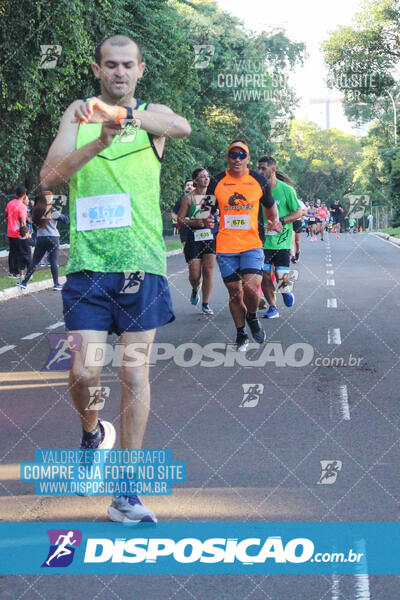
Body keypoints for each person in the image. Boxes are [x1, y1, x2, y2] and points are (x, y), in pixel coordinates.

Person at [40, 34, 191, 524]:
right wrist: (97, 141)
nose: (120, 72)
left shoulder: (151, 117)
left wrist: (122, 118)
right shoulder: (76, 114)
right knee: (84, 372)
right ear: (97, 68)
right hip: (88, 265)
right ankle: (92, 433)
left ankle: (126, 492)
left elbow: (180, 126)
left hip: (142, 265)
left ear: (140, 69)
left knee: (132, 374)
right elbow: (49, 177)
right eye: (111, 65)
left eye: (128, 65)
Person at [206, 140, 281, 350]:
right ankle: (241, 333)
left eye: (242, 155)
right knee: (234, 293)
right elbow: (206, 210)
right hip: (226, 245)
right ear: (228, 157)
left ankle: (252, 317)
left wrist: (274, 220)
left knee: (250, 287)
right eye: (233, 154)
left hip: (252, 243)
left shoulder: (258, 181)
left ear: (248, 158)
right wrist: (206, 219)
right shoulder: (217, 181)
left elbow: (270, 207)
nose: (237, 159)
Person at [257, 156, 302, 319]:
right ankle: (273, 307)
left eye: (263, 168)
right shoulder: (257, 189)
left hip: (282, 240)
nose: (260, 171)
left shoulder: (286, 190)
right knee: (265, 275)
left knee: (281, 274)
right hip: (262, 241)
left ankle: (286, 289)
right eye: (258, 168)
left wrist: (280, 221)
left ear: (273, 170)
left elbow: (298, 212)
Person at [177, 168, 217, 315]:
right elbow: (180, 219)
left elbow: (219, 215)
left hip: (210, 238)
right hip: (193, 238)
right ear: (195, 180)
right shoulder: (188, 198)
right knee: (194, 275)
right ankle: (195, 289)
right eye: (202, 177)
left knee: (208, 270)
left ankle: (206, 304)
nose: (206, 179)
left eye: (207, 176)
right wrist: (195, 222)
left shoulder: (213, 196)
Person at [17, 190, 69, 291]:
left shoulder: (36, 211)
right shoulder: (52, 210)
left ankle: (24, 283)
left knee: (35, 261)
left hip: (41, 238)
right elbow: (65, 220)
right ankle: (56, 284)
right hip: (53, 238)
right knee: (53, 261)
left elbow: (30, 222)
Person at [5, 185, 27, 278]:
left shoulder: (10, 203)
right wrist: (25, 232)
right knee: (20, 252)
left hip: (10, 231)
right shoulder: (22, 206)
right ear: (24, 195)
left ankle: (11, 272)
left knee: (12, 252)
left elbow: (6, 214)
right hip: (18, 232)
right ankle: (18, 272)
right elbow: (22, 220)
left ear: (15, 194)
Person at [171, 179, 194, 244]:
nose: (189, 186)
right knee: (187, 249)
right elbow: (173, 213)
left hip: (198, 229)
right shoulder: (180, 200)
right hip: (184, 229)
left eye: (192, 185)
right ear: (184, 188)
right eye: (187, 185)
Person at [291, 197, 307, 263]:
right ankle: (293, 256)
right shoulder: (287, 201)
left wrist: (299, 213)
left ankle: (297, 252)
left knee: (297, 241)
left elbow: (305, 212)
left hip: (297, 222)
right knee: (292, 240)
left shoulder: (299, 202)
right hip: (290, 221)